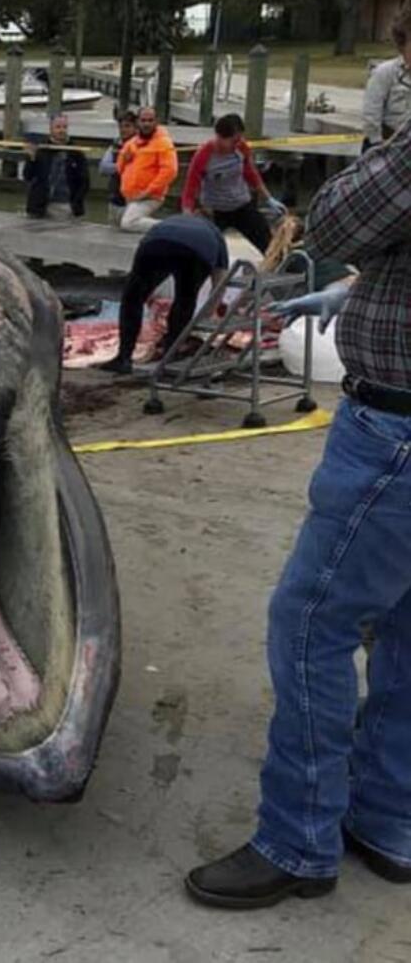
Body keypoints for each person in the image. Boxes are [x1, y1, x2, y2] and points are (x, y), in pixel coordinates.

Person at [186, 118, 411, 909]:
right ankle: (390, 819)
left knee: (312, 622)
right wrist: (362, 290)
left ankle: (299, 838)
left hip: (396, 433)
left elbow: (340, 220)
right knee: (407, 625)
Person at [96, 214, 230, 376]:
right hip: (194, 253)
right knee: (185, 299)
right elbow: (219, 286)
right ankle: (170, 356)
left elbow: (140, 270)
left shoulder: (171, 220)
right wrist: (205, 318)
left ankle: (123, 358)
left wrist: (145, 292)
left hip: (155, 244)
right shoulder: (216, 236)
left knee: (132, 298)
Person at [181, 114, 282, 251]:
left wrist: (268, 198)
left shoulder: (241, 148)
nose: (236, 144)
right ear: (220, 137)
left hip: (241, 205)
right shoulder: (203, 155)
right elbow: (190, 188)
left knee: (268, 242)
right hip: (214, 211)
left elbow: (251, 174)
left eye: (239, 140)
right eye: (233, 141)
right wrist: (187, 214)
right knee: (202, 248)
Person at [116, 105, 178, 231]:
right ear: (138, 121)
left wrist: (147, 191)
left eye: (150, 120)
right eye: (143, 120)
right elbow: (119, 169)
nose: (146, 124)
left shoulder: (163, 142)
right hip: (131, 196)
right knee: (124, 225)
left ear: (156, 121)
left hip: (150, 196)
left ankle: (171, 228)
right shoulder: (132, 142)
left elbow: (170, 171)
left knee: (129, 223)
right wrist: (124, 159)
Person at [361, 5, 411, 150]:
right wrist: (378, 144)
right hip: (385, 145)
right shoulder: (385, 73)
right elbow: (371, 114)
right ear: (402, 45)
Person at [23, 114, 88, 220]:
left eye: (64, 127)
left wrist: (75, 203)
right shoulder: (41, 150)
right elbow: (27, 176)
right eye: (58, 127)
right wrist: (31, 159)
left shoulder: (76, 152)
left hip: (66, 206)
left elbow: (84, 181)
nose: (61, 130)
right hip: (41, 206)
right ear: (51, 129)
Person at [97, 111, 137, 226]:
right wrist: (123, 164)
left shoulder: (142, 146)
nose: (123, 130)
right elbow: (103, 168)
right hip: (115, 200)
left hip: (134, 202)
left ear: (135, 127)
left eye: (127, 126)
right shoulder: (115, 146)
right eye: (121, 126)